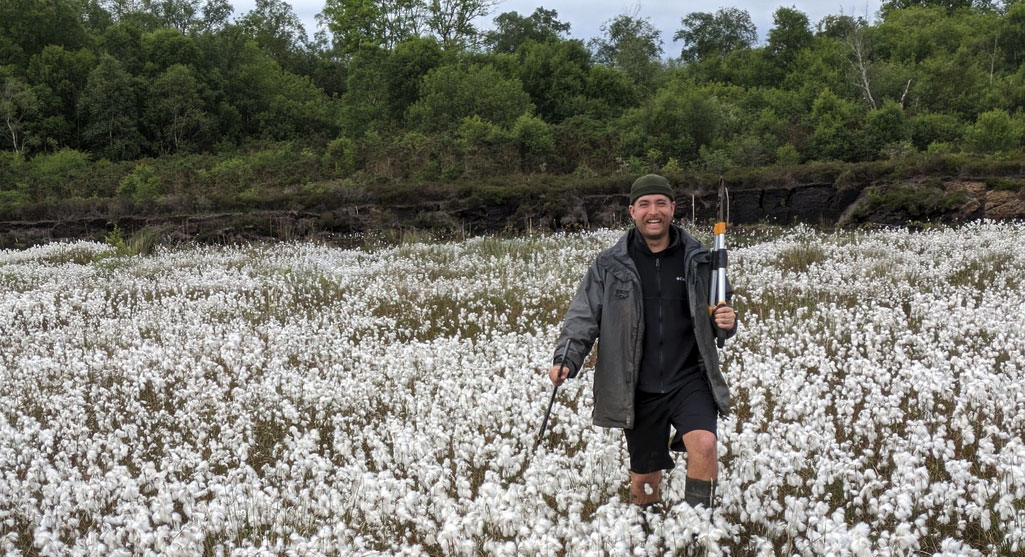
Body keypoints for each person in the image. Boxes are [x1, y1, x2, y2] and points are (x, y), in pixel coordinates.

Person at [547, 174, 736, 513]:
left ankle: (699, 533)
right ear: (632, 211)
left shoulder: (699, 259)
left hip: (689, 378)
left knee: (704, 444)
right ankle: (647, 533)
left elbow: (720, 310)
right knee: (644, 482)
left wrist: (726, 322)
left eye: (661, 204)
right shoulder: (610, 265)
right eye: (645, 205)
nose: (654, 212)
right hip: (638, 385)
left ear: (673, 209)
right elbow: (583, 315)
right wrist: (568, 358)